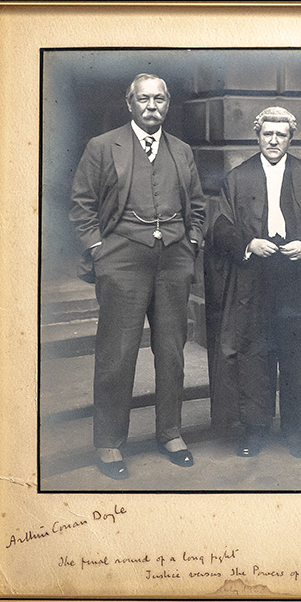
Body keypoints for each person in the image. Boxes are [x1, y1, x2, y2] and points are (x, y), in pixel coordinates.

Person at [70, 73, 206, 480]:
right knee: (117, 353)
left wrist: (192, 241)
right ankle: (109, 442)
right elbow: (81, 205)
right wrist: (98, 250)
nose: (152, 106)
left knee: (171, 351)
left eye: (160, 99)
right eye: (144, 99)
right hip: (122, 259)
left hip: (173, 261)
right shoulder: (102, 146)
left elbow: (197, 204)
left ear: (168, 104)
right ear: (129, 103)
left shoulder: (181, 151)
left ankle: (170, 432)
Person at [205, 106, 301, 459]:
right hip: (253, 279)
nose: (273, 140)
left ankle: (296, 429)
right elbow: (219, 226)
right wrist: (248, 244)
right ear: (257, 136)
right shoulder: (237, 178)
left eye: (281, 135)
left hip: (297, 279)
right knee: (255, 353)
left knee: (297, 353)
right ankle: (256, 429)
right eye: (268, 133)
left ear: (290, 139)